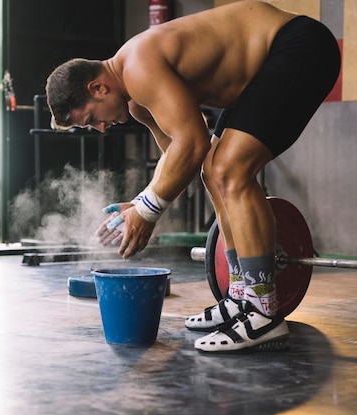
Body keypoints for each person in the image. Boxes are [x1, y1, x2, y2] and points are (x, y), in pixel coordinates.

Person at [45, 0, 340, 353]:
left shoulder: (138, 65)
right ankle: (241, 295)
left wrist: (148, 210)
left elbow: (192, 142)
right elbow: (180, 156)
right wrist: (141, 202)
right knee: (213, 172)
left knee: (229, 171)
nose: (101, 128)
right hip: (265, 71)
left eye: (91, 118)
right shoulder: (137, 102)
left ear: (98, 88)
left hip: (297, 47)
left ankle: (263, 311)